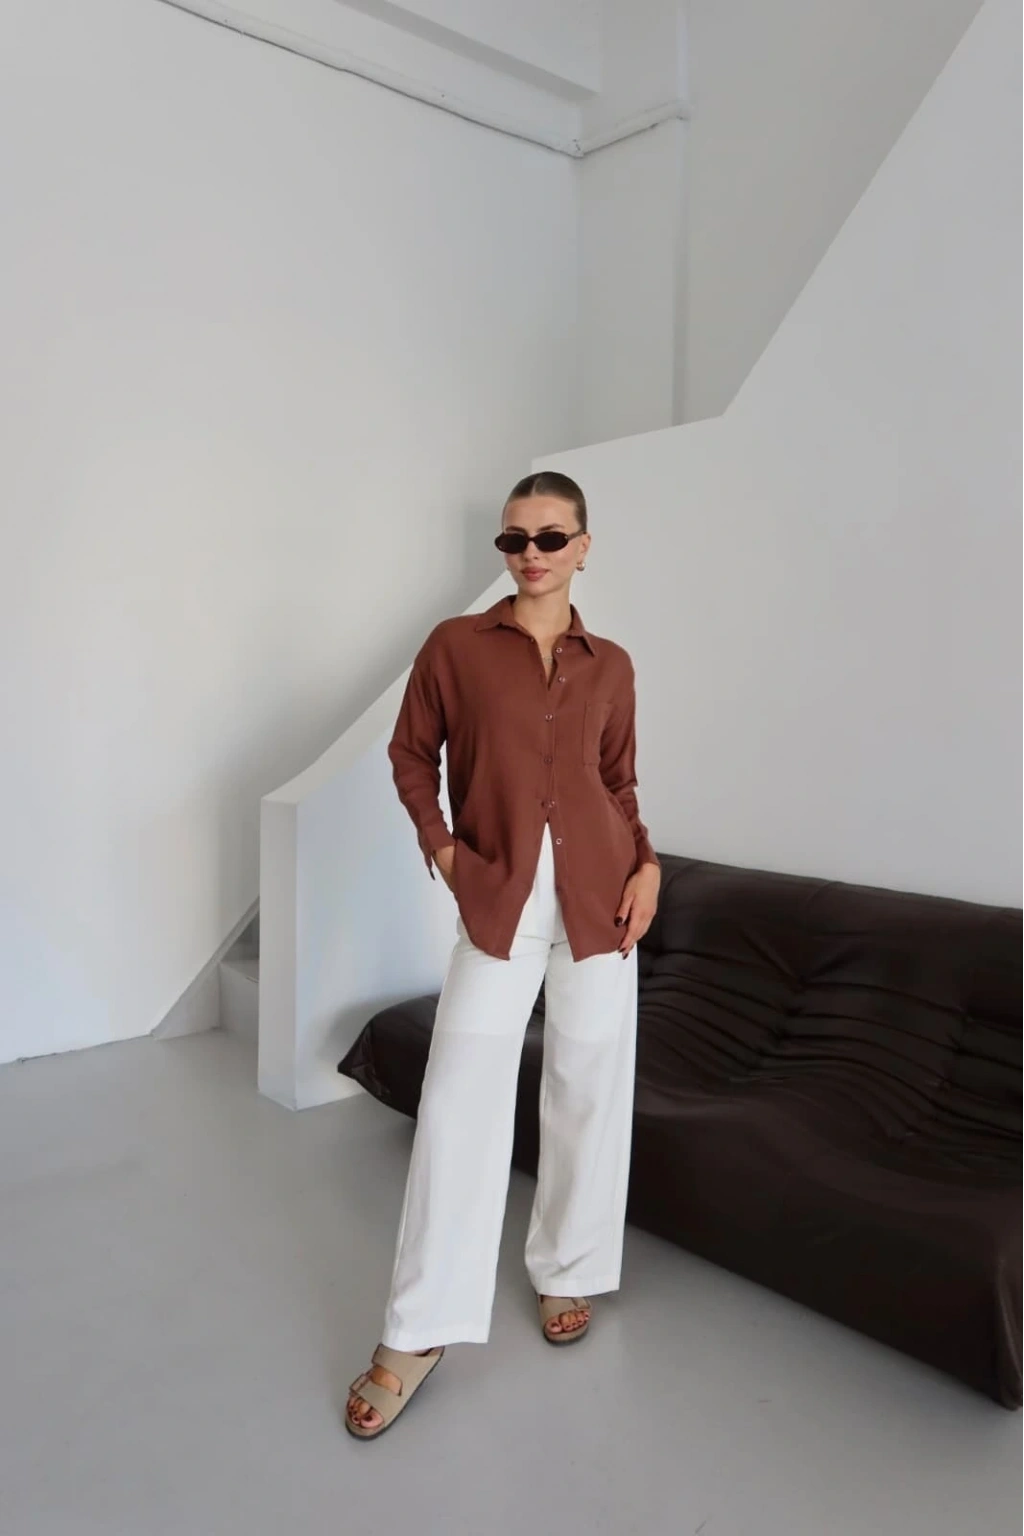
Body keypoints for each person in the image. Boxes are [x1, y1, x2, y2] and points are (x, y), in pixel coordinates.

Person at [346, 470, 661, 1440]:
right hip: (499, 899)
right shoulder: (455, 647)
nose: (530, 554)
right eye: (514, 539)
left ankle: (569, 1267)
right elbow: (410, 754)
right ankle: (418, 1329)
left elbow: (618, 783)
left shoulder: (611, 665)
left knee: (588, 1086)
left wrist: (648, 863)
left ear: (583, 547)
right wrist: (444, 851)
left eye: (550, 537)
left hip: (602, 899)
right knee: (458, 1101)